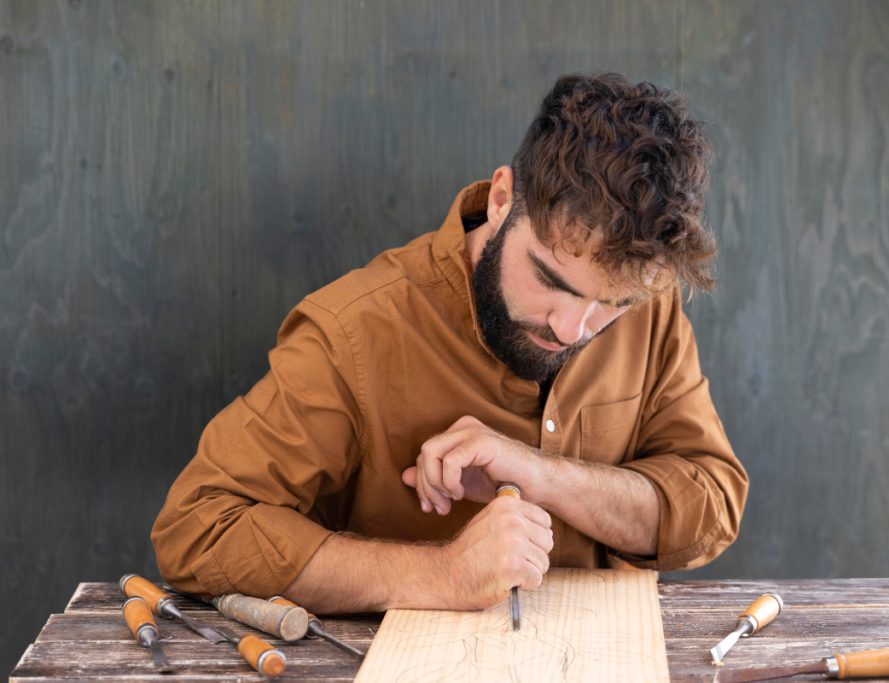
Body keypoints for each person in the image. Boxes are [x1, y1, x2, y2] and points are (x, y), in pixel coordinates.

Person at [151, 73, 748, 614]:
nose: (573, 330)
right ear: (501, 198)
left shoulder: (649, 307)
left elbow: (712, 504)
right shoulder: (353, 332)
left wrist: (542, 475)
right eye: (549, 280)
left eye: (612, 307)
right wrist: (440, 574)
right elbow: (199, 528)